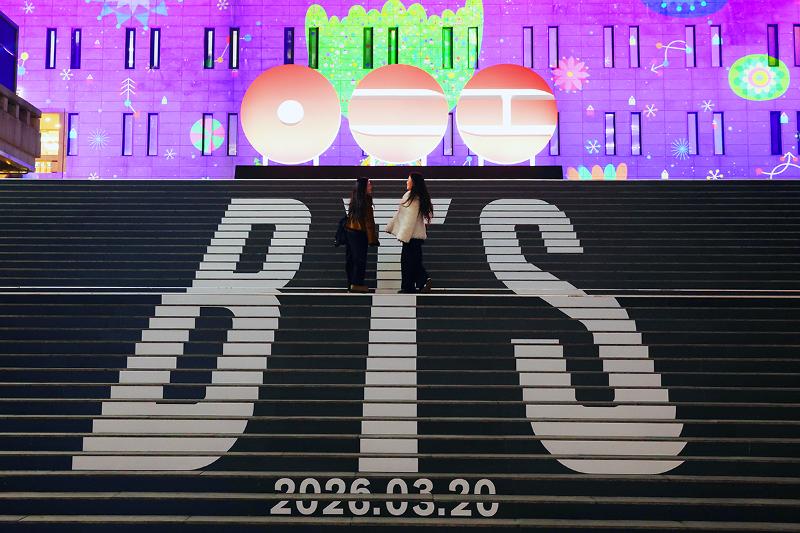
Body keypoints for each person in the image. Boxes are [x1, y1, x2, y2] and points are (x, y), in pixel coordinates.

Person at [385, 172, 433, 294]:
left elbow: (409, 219)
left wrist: (403, 236)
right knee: (414, 261)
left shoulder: (412, 197)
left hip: (410, 236)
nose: (406, 182)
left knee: (408, 262)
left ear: (413, 182)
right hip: (416, 237)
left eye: (408, 180)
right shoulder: (418, 197)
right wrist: (391, 227)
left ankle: (417, 283)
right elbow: (401, 216)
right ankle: (415, 284)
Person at [345, 177, 379, 293]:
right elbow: (369, 222)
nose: (371, 186)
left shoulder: (354, 200)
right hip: (360, 233)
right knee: (360, 259)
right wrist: (372, 239)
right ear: (363, 187)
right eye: (369, 184)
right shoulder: (366, 200)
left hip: (350, 232)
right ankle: (357, 284)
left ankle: (351, 283)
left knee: (352, 259)